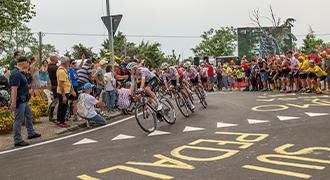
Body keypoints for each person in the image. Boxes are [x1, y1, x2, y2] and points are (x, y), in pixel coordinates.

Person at [9, 56, 41, 147]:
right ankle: (17, 140)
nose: (28, 64)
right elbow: (14, 89)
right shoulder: (16, 73)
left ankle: (31, 133)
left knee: (29, 115)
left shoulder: (21, 72)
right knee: (18, 120)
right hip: (19, 100)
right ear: (23, 63)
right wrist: (13, 102)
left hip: (24, 99)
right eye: (27, 62)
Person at [56, 57, 77, 128]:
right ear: (66, 63)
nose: (69, 63)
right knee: (63, 107)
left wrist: (72, 90)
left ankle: (59, 120)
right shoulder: (61, 71)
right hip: (63, 92)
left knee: (62, 107)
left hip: (66, 91)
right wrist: (64, 96)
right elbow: (61, 84)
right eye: (68, 62)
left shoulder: (64, 70)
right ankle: (61, 121)